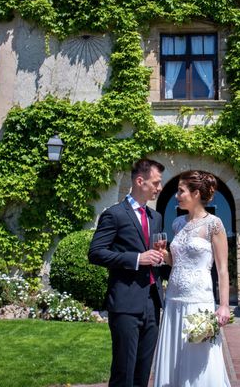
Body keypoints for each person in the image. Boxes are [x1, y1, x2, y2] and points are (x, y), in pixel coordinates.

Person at [88, 158, 166, 387]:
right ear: (140, 181)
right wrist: (137, 259)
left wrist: (158, 257)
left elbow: (153, 251)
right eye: (156, 183)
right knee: (124, 372)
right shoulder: (114, 214)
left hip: (152, 302)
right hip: (125, 302)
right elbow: (96, 253)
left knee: (143, 372)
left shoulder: (156, 217)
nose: (159, 188)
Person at [153, 170, 231, 387]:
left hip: (199, 301)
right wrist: (163, 255)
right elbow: (176, 261)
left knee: (198, 361)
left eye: (181, 191)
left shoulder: (214, 224)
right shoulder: (178, 223)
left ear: (196, 193)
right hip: (174, 300)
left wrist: (224, 306)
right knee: (174, 357)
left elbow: (223, 269)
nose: (177, 196)